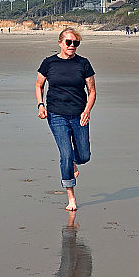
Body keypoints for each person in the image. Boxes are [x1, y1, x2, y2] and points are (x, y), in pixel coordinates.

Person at [35, 28, 96, 211]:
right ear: (60, 43)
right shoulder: (49, 63)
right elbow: (39, 85)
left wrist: (87, 110)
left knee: (84, 156)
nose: (72, 46)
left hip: (79, 114)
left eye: (75, 43)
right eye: (69, 42)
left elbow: (92, 91)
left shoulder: (83, 64)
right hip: (56, 114)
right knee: (66, 155)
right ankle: (71, 197)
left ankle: (74, 163)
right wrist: (40, 105)